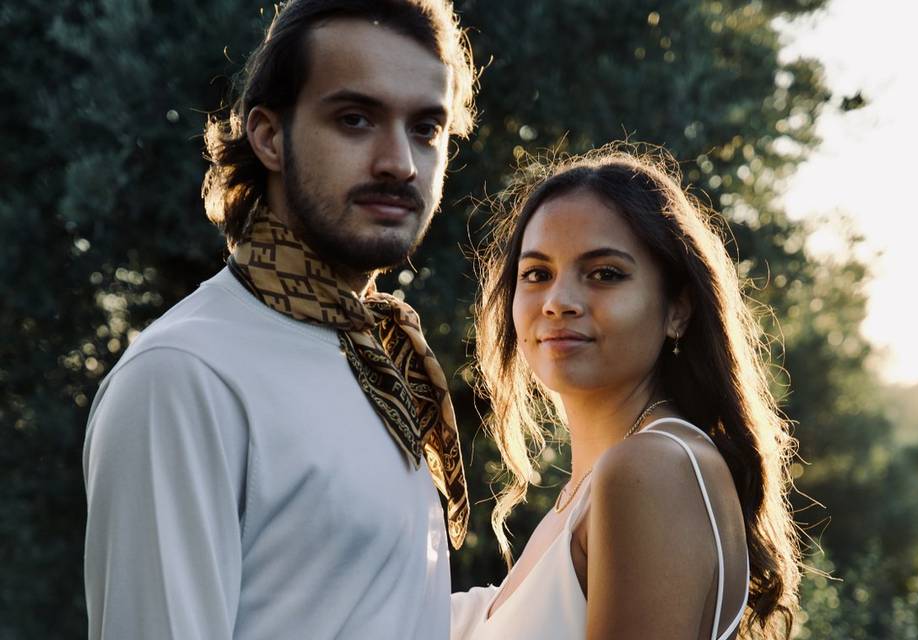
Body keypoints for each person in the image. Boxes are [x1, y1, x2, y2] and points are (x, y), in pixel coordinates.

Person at [82, 1, 477, 638]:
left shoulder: (376, 364)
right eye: (355, 119)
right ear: (268, 135)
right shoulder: (186, 377)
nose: (400, 162)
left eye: (426, 129)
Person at [451, 147, 801, 639]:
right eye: (537, 274)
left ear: (678, 308)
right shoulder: (588, 491)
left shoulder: (651, 467)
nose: (558, 302)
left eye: (605, 274)